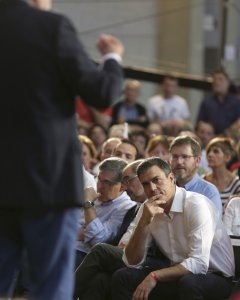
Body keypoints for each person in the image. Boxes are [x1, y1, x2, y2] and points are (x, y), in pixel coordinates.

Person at [0, 0, 124, 299]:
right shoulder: (50, 27)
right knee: (51, 287)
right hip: (48, 182)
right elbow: (102, 91)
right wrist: (111, 57)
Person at [111, 157, 234, 300]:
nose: (152, 188)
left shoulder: (196, 204)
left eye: (156, 180)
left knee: (189, 283)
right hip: (178, 273)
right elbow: (131, 262)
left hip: (216, 276)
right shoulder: (148, 208)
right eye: (145, 184)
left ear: (171, 178)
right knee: (123, 277)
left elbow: (199, 263)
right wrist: (144, 222)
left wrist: (155, 276)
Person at [73, 160, 167, 300]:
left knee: (100, 250)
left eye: (128, 180)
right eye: (99, 180)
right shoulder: (138, 206)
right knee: (100, 279)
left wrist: (88, 205)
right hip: (126, 252)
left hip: (147, 259)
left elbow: (98, 239)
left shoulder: (136, 205)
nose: (125, 186)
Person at [75, 157, 135, 266]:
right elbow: (71, 226)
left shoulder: (126, 207)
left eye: (107, 182)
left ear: (122, 186)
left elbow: (97, 241)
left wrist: (88, 205)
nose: (100, 186)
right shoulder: (95, 196)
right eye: (99, 179)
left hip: (85, 255)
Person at [170, 136, 222, 214]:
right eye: (175, 157)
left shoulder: (208, 192)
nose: (179, 162)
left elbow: (213, 225)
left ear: (197, 161)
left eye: (185, 157)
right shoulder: (165, 189)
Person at [197, 70, 240, 135]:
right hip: (210, 138)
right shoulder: (206, 102)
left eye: (220, 79)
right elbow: (200, 122)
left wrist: (229, 132)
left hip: (231, 137)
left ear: (228, 82)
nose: (217, 82)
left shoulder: (236, 102)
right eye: (214, 80)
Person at [204, 137, 240, 208]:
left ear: (227, 157)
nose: (210, 155)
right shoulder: (203, 181)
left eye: (216, 151)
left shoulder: (236, 183)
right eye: (208, 151)